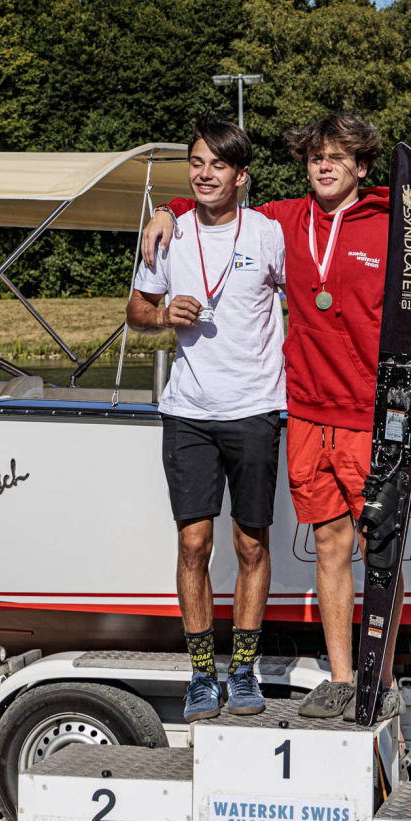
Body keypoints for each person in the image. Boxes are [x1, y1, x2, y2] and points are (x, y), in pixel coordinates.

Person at [142, 113, 411, 720]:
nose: (323, 166)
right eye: (316, 157)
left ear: (362, 167)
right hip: (307, 412)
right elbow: (218, 203)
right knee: (329, 545)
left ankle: (379, 677)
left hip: (370, 414)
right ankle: (341, 679)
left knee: (378, 548)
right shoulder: (284, 221)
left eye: (337, 157)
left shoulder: (392, 226)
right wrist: (168, 209)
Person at [127, 114, 286, 722]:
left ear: (241, 175)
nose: (204, 174)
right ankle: (201, 675)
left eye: (218, 165)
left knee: (250, 544)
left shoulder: (268, 235)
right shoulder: (168, 234)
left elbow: (312, 300)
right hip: (188, 412)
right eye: (196, 163)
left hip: (254, 408)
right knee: (194, 544)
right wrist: (164, 315)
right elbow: (137, 310)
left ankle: (242, 670)